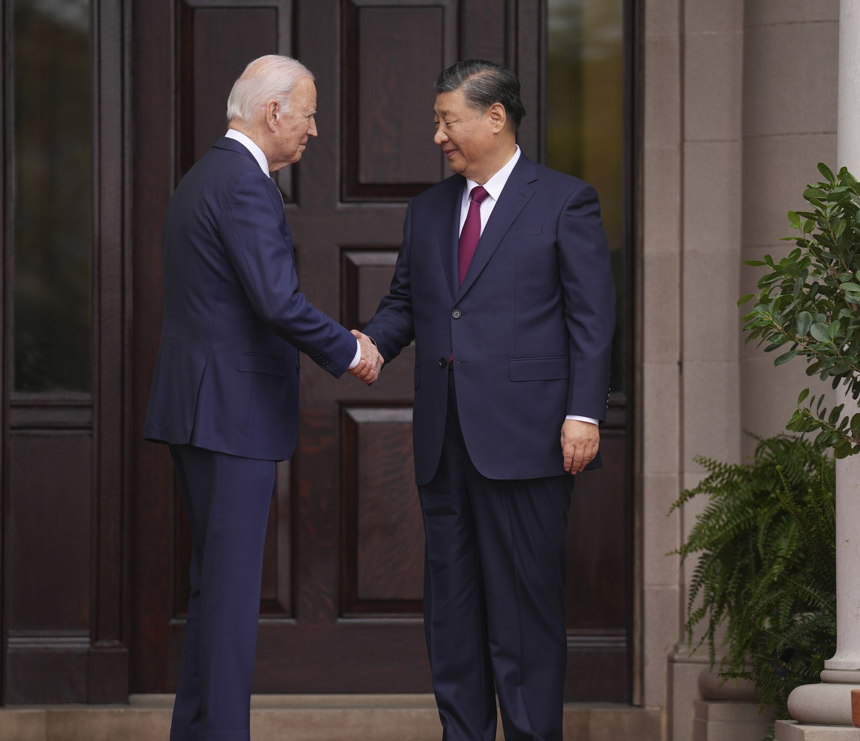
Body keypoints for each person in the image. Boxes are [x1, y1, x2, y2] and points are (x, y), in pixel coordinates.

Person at [361, 59, 616, 741]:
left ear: (494, 116)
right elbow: (405, 303)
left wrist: (582, 412)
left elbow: (591, 319)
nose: (438, 135)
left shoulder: (565, 200)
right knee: (452, 613)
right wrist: (369, 345)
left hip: (530, 439)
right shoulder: (427, 209)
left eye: (448, 120)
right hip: (445, 444)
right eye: (437, 121)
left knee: (524, 615)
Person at [143, 54, 382, 741]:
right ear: (273, 111)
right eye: (307, 114)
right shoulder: (246, 186)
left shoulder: (203, 176)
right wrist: (349, 348)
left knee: (212, 592)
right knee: (228, 599)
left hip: (201, 411)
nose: (312, 131)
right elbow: (276, 301)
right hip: (231, 416)